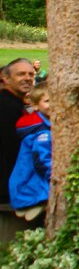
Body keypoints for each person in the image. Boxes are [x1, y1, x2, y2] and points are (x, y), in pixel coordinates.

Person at [9, 87, 51, 221]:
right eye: (47, 101)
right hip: (34, 186)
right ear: (35, 106)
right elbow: (42, 160)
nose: (53, 105)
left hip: (25, 184)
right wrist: (56, 177)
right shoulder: (43, 133)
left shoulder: (39, 127)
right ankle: (34, 203)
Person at [0, 58, 36, 205]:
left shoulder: (16, 104)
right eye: (21, 74)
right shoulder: (5, 106)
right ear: (6, 79)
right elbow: (10, 148)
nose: (27, 78)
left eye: (31, 74)